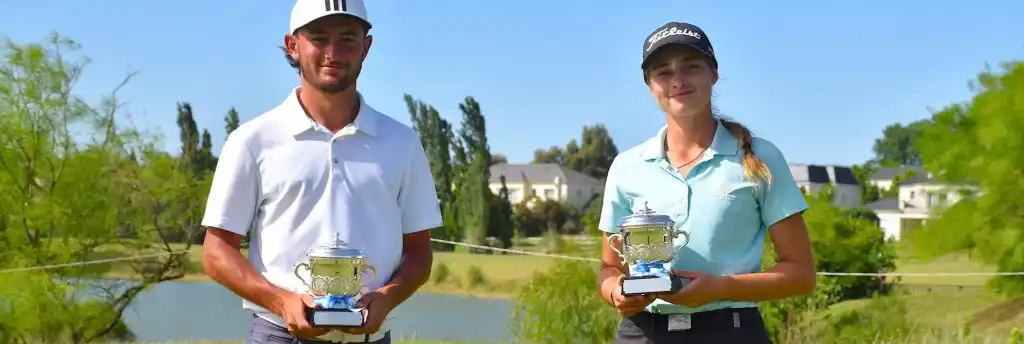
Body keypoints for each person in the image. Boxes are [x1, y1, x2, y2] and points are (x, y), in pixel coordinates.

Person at [200, 0, 442, 343]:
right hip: (279, 334)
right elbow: (216, 251)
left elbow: (419, 252)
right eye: (319, 38)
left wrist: (387, 298)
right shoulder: (252, 140)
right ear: (293, 46)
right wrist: (282, 301)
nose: (333, 52)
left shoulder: (402, 142)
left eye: (347, 39)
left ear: (366, 47)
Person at [596, 21, 816, 343]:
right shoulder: (626, 167)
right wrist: (616, 291)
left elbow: (801, 274)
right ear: (649, 85)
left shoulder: (760, 157)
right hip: (642, 333)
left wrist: (723, 288)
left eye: (691, 67)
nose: (678, 81)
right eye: (663, 72)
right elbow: (608, 267)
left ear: (713, 74)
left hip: (731, 332)